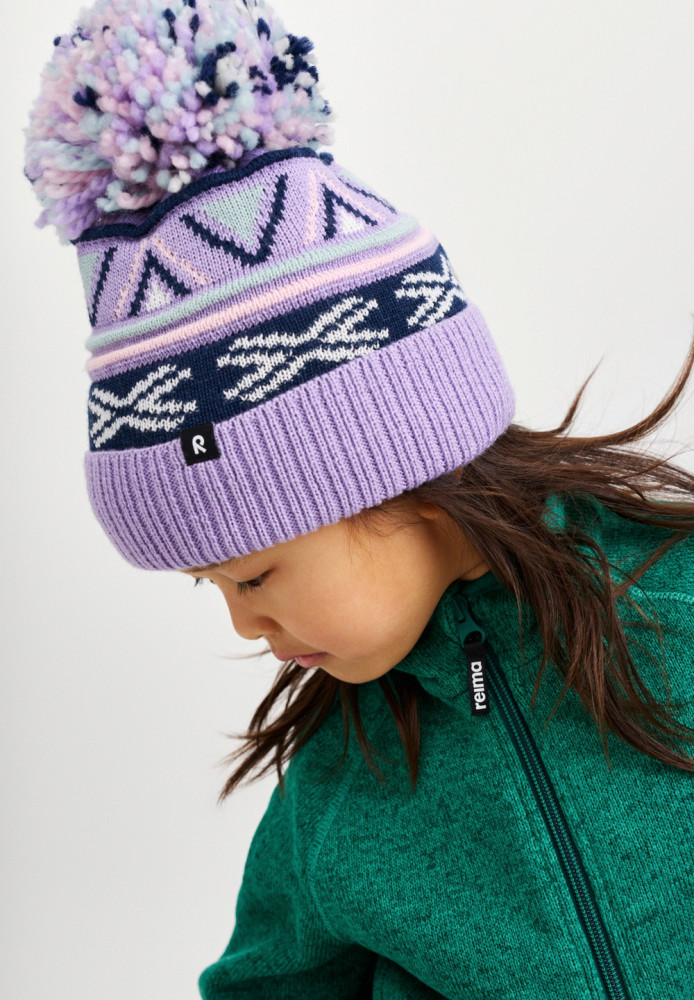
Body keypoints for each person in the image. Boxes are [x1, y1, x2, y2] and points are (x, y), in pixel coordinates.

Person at [23, 0, 694, 996]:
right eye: (214, 586)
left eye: (254, 573)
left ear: (397, 474)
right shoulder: (339, 790)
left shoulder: (673, 607)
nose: (244, 622)